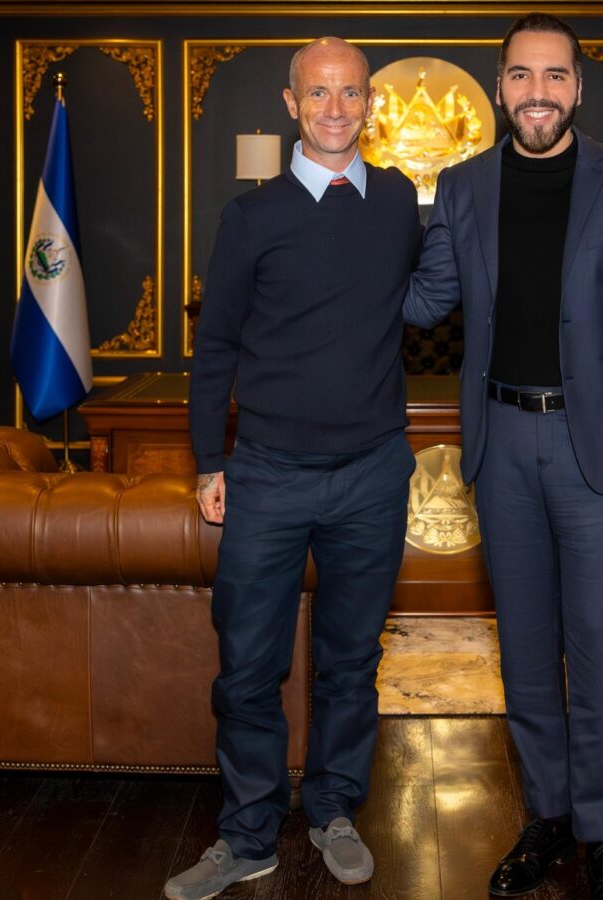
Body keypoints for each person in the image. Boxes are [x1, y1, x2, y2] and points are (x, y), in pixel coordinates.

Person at [403, 12, 603, 900]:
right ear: (499, 87)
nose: (537, 94)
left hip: (596, 447)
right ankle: (547, 819)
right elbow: (426, 301)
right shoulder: (461, 186)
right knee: (524, 652)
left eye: (554, 77)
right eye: (521, 77)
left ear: (577, 87)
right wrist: (334, 257)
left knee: (599, 645)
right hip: (498, 441)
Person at [165, 36, 419, 900]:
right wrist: (208, 461)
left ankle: (336, 808)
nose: (337, 108)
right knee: (246, 667)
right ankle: (246, 836)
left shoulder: (395, 205)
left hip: (375, 472)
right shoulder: (251, 216)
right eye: (320, 94)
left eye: (351, 92)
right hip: (267, 472)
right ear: (291, 105)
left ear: (371, 103)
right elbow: (216, 347)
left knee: (352, 661)